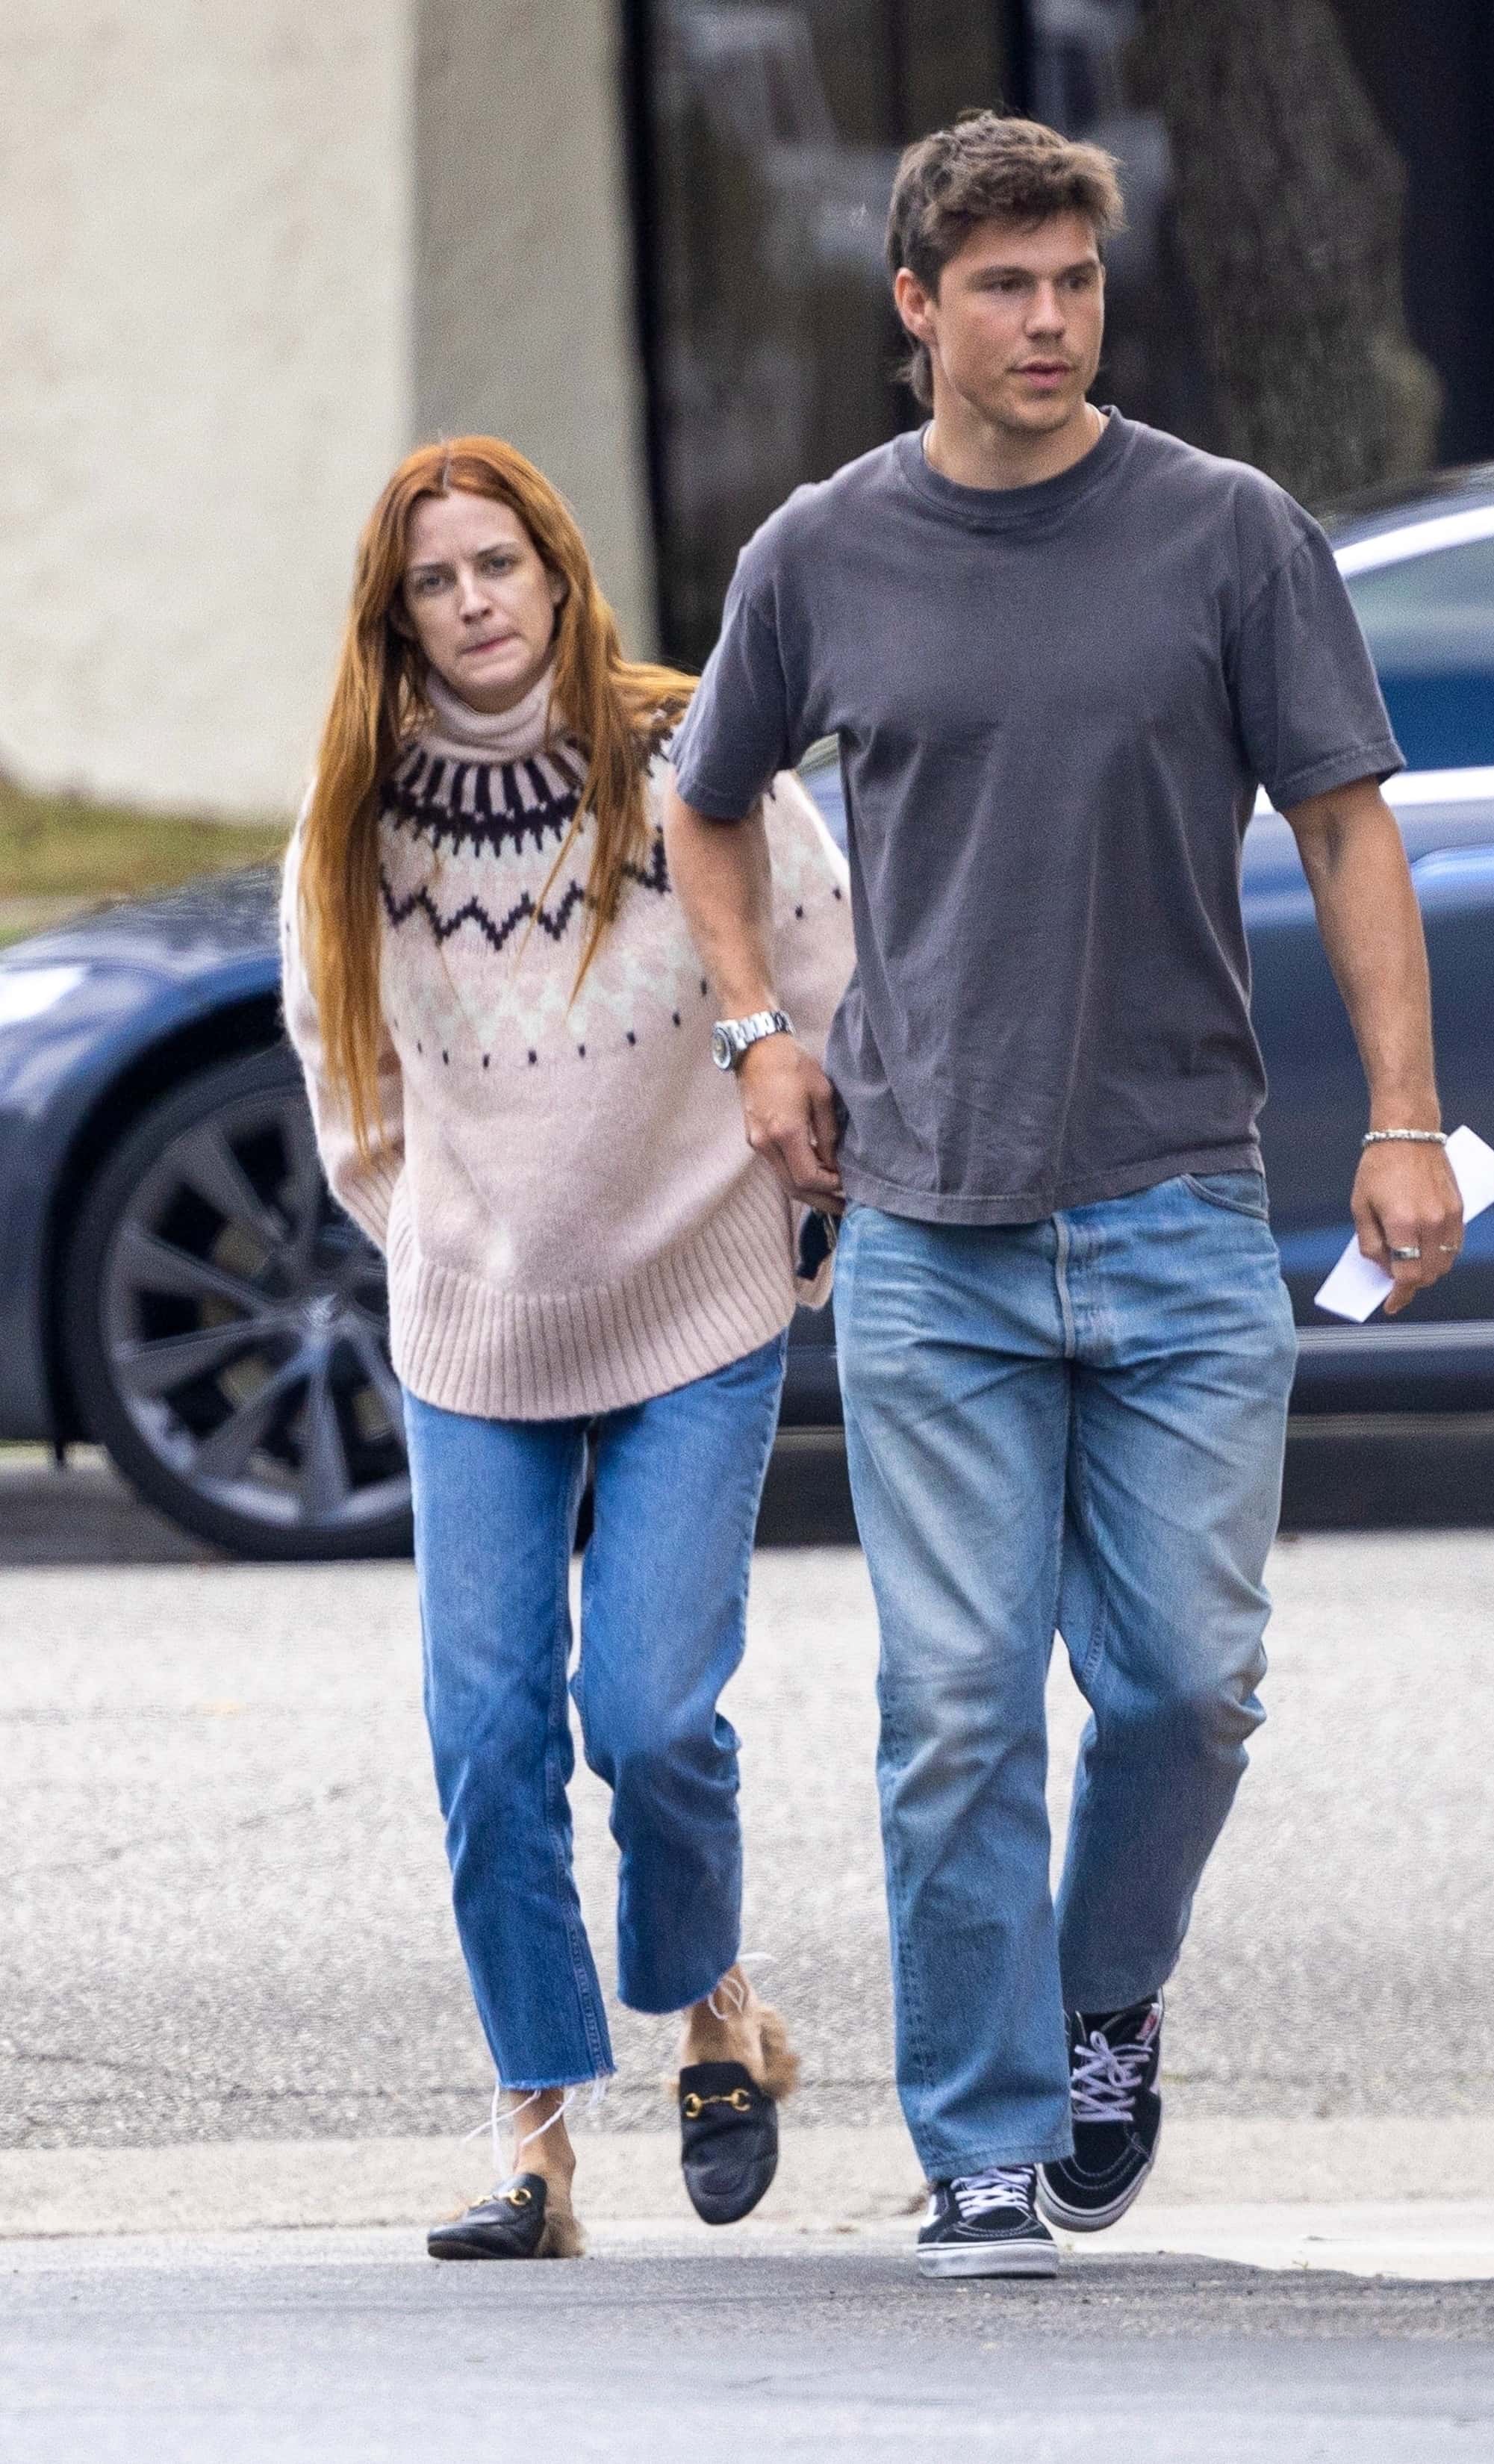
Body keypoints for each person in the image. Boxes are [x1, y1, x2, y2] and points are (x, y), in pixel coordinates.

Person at [664, 113, 1463, 2279]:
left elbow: (1346, 824)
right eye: (1004, 285)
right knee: (951, 1706)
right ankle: (986, 2141)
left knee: (1188, 1683)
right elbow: (704, 803)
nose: (1048, 320)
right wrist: (755, 1034)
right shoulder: (820, 555)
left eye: (1076, 281)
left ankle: (1106, 2001)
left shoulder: (1228, 534)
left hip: (1181, 1204)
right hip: (928, 1230)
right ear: (914, 307)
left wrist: (1404, 1115)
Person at [281, 436, 852, 2259]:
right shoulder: (357, 818)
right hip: (480, 1322)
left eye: (498, 565)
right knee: (485, 1734)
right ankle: (534, 2151)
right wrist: (448, 1243)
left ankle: (710, 2013)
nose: (474, 604)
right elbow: (351, 1091)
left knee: (653, 1716)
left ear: (555, 569)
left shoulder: (692, 754)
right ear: (397, 617)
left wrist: (797, 1200)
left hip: (698, 1290)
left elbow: (823, 976)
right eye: (434, 581)